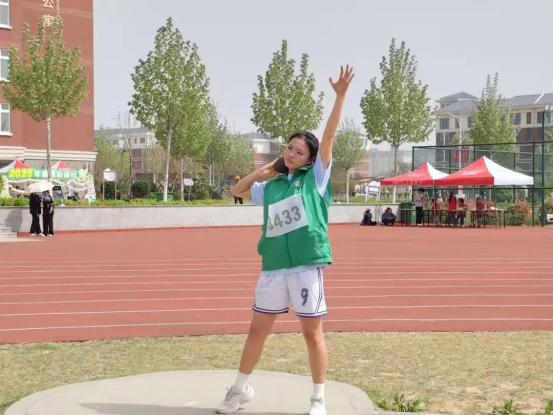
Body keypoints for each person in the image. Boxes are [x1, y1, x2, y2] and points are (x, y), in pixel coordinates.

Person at [218, 65, 354, 415]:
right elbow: (236, 191)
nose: (292, 154)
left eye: (299, 152)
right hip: (274, 266)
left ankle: (318, 399)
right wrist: (262, 172)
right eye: (289, 148)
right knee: (256, 330)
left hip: (306, 265)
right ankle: (239, 391)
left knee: (311, 333)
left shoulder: (316, 180)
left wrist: (339, 97)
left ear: (311, 160)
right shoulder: (272, 186)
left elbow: (329, 137)